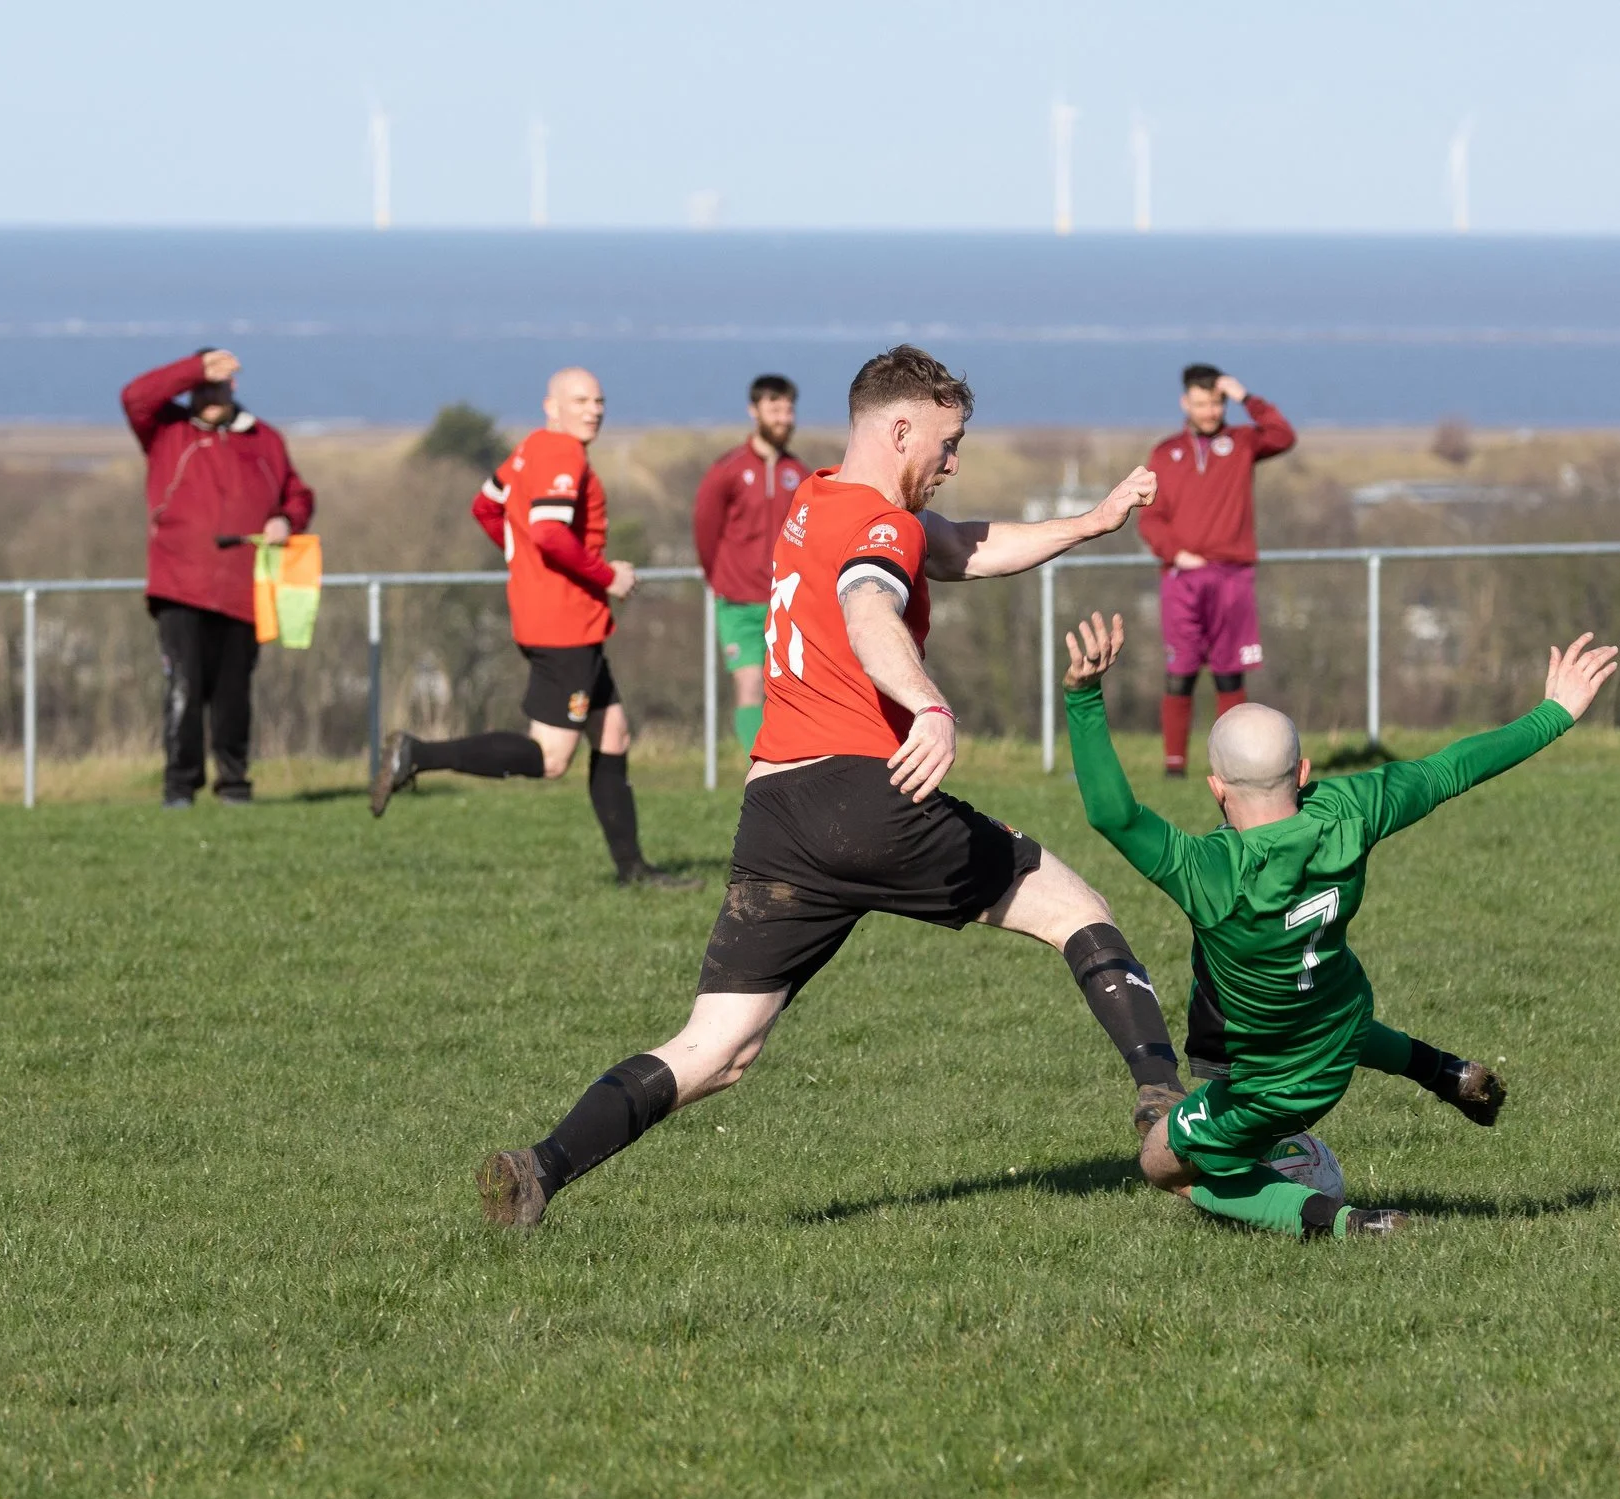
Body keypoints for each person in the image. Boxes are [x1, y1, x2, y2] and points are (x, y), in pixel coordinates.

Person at [473, 345, 1193, 1228]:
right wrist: (928, 707)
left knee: (717, 1047)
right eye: (948, 440)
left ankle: (539, 1168)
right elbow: (868, 607)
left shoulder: (816, 500)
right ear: (899, 428)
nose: (954, 460)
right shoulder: (881, 529)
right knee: (1076, 908)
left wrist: (1089, 522)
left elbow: (962, 544)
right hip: (867, 797)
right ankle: (1170, 1108)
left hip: (777, 813)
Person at [1061, 609, 1620, 1240]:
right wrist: (1555, 713)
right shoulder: (1350, 810)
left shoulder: (1207, 870)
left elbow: (1114, 813)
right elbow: (1452, 768)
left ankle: (1349, 1223)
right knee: (1328, 1006)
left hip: (1272, 1091)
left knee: (1163, 1162)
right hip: (1342, 1026)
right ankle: (1446, 1072)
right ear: (1303, 774)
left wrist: (1083, 697)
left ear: (1217, 789)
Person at [370, 367, 695, 890]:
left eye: (599, 400)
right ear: (552, 406)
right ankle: (417, 753)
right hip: (564, 625)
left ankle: (634, 871)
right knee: (549, 759)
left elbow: (486, 506)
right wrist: (608, 574)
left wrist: (522, 562)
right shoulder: (562, 453)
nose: (594, 409)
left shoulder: (530, 449)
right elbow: (547, 533)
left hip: (566, 620)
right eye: (581, 399)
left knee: (612, 733)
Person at [121, 348, 315, 807]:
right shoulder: (167, 431)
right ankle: (179, 788)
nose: (210, 396)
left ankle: (234, 784)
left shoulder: (265, 440)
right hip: (180, 587)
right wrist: (194, 367)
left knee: (233, 696)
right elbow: (134, 397)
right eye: (201, 387)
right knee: (184, 691)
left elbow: (298, 494)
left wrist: (287, 520)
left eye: (217, 385)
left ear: (234, 388)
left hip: (244, 590)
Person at [1139, 364, 1295, 778]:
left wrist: (1247, 397)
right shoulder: (1165, 453)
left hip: (1233, 576)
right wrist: (1176, 552)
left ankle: (1237, 765)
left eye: (1217, 402)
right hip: (1182, 578)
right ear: (1185, 402)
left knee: (1229, 674)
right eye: (1202, 402)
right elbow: (1150, 519)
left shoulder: (1243, 442)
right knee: (1181, 673)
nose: (1210, 411)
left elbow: (1283, 435)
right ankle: (1174, 767)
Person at [691, 374, 810, 755]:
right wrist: (722, 580)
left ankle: (793, 765)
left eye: (788, 409)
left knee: (792, 692)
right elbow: (705, 532)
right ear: (754, 410)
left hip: (788, 602)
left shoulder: (801, 474)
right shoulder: (727, 470)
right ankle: (759, 768)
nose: (783, 417)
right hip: (738, 603)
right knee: (749, 686)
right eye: (774, 408)